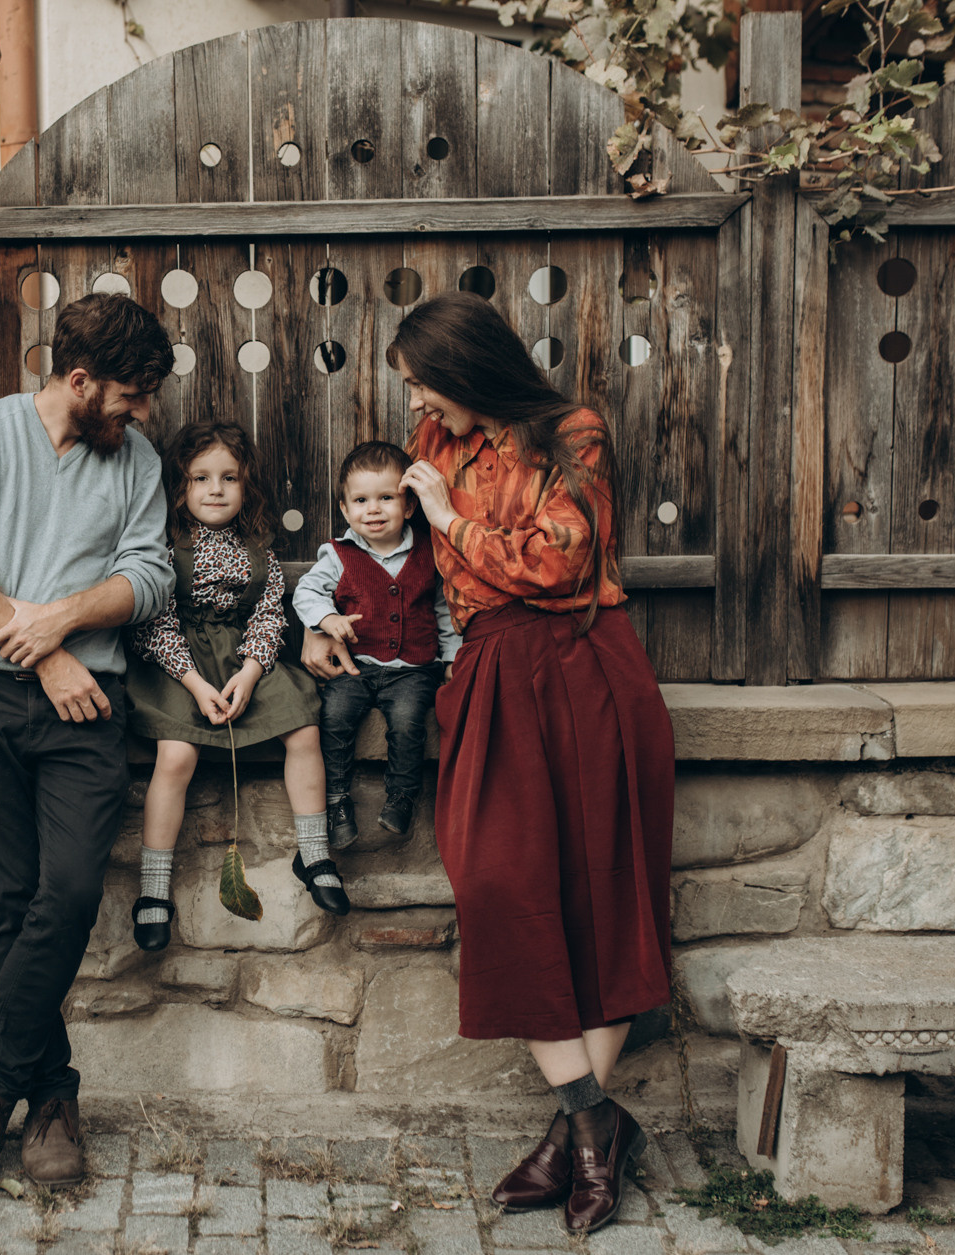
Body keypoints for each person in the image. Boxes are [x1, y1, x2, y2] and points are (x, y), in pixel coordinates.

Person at [302, 293, 675, 1234]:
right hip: (491, 667)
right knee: (496, 881)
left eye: (425, 379)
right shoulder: (439, 439)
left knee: (603, 893)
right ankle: (595, 1120)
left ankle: (578, 1140)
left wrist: (447, 515)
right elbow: (402, 553)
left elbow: (561, 561)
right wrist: (319, 614)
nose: (416, 397)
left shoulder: (572, 432)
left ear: (466, 371)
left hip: (587, 663)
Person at [0, 293, 176, 1198]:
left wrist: (64, 620)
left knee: (66, 891)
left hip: (85, 709)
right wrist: (52, 656)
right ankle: (54, 1097)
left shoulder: (135, 458)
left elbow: (149, 573)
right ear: (77, 380)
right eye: (132, 395)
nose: (143, 412)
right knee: (10, 896)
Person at [126, 420, 349, 953]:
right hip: (178, 664)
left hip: (245, 659)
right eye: (200, 478)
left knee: (302, 728)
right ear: (180, 489)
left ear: (246, 486)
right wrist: (197, 684)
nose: (215, 489)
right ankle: (153, 888)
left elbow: (269, 616)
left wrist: (250, 672)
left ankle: (314, 851)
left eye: (228, 478)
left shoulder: (261, 552)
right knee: (176, 755)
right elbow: (154, 622)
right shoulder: (162, 547)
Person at [291, 439, 460, 850]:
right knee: (334, 718)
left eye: (386, 498)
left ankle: (402, 797)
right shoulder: (339, 554)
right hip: (357, 667)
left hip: (414, 669)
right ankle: (336, 801)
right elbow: (306, 592)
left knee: (407, 723)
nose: (373, 509)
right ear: (346, 509)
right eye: (361, 500)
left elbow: (443, 610)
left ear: (409, 506)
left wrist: (453, 658)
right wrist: (326, 619)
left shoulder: (428, 552)